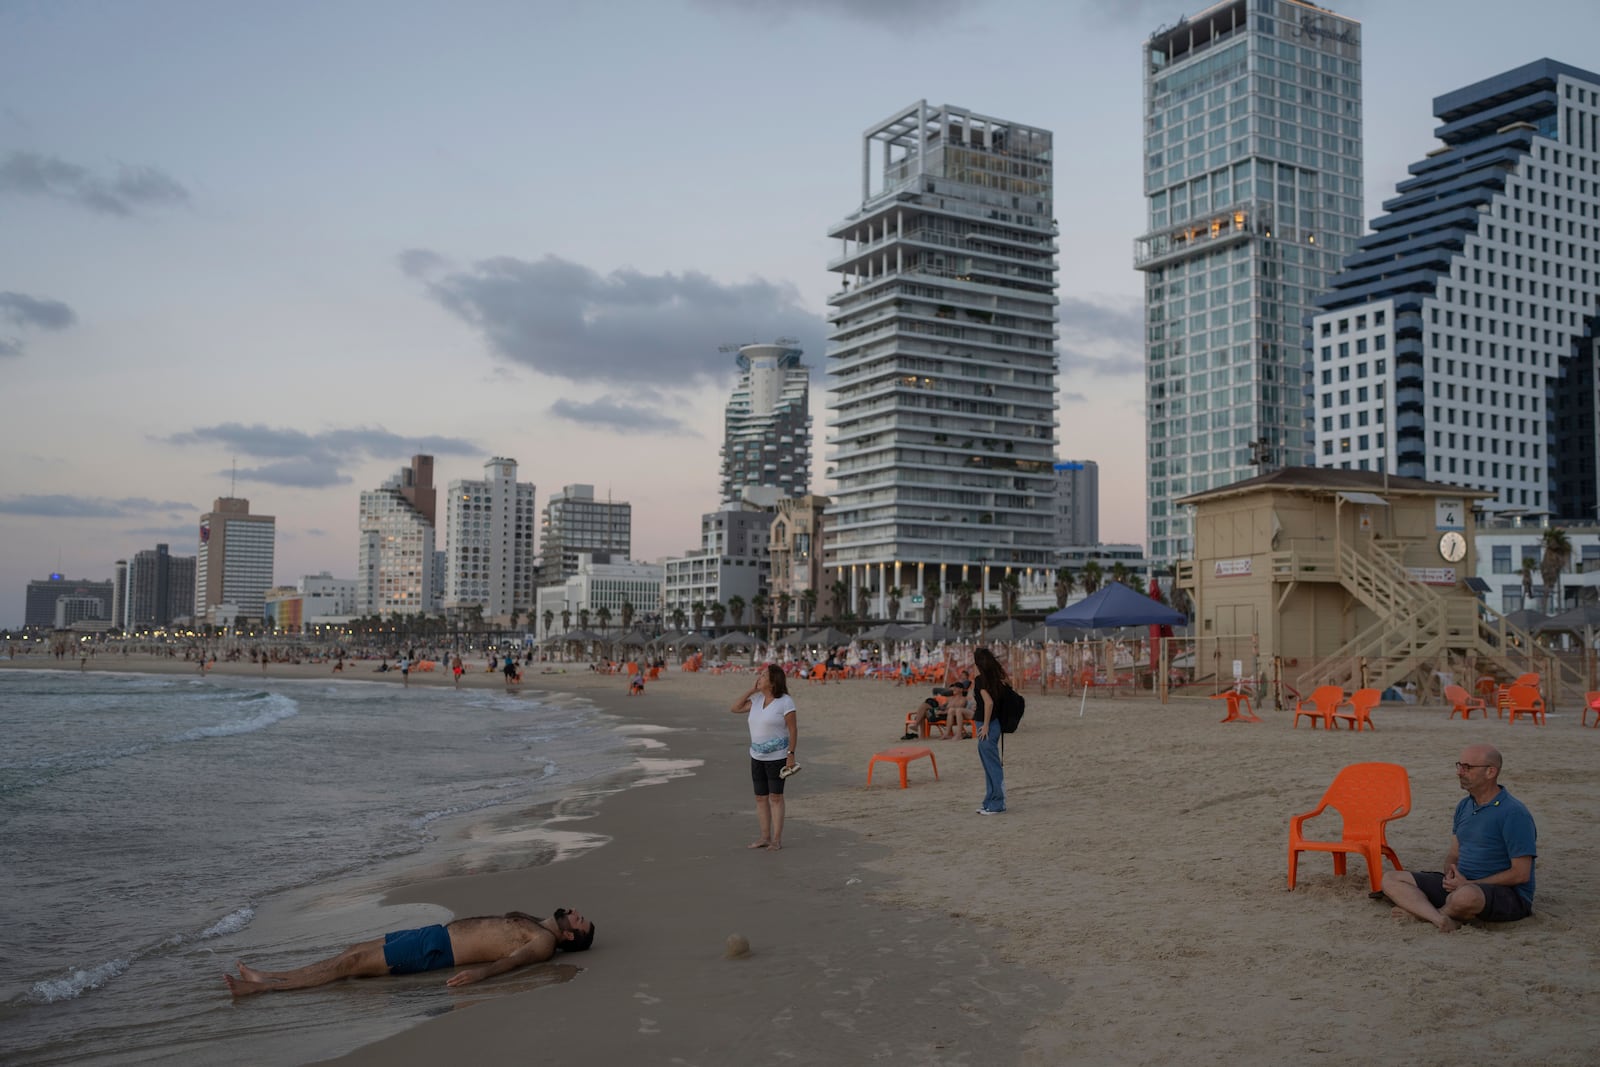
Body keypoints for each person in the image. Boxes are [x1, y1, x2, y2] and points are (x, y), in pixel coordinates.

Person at [224, 908, 595, 996]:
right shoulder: (538, 923)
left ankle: (265, 984)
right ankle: (275, 976)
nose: (577, 915)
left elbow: (513, 961)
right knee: (352, 951)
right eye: (580, 916)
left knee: (351, 964)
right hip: (433, 934)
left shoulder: (545, 943)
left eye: (581, 923)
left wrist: (480, 974)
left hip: (436, 951)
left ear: (571, 938)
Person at [1381, 743, 1536, 931]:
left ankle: (1426, 913)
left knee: (1465, 896)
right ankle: (1440, 918)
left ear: (1491, 772)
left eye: (1467, 767)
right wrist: (1451, 874)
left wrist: (1469, 884)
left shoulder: (1513, 813)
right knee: (1391, 879)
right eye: (1459, 766)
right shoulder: (1465, 806)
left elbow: (1521, 873)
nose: (1460, 772)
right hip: (1462, 883)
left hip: (1505, 894)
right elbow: (1453, 855)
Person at [729, 663, 798, 851]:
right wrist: (752, 689)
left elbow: (793, 729)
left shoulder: (785, 702)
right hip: (756, 756)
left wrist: (790, 755)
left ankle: (776, 839)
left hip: (778, 757)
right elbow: (735, 708)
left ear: (773, 681)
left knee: (776, 797)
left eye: (763, 675)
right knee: (760, 798)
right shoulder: (757, 700)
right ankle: (764, 837)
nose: (760, 677)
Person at [971, 647, 1009, 815]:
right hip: (992, 724)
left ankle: (997, 803)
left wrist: (985, 724)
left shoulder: (981, 680)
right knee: (988, 765)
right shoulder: (996, 678)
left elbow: (989, 703)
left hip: (988, 725)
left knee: (992, 766)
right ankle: (989, 801)